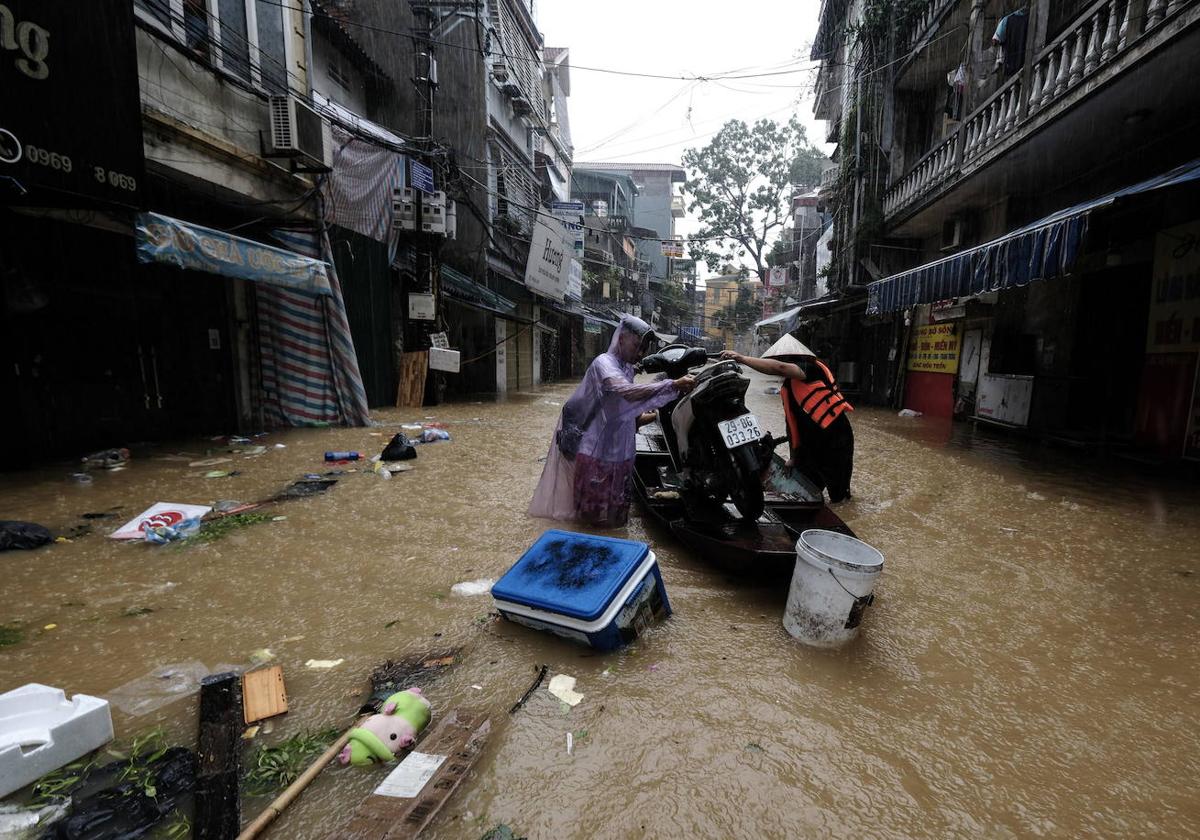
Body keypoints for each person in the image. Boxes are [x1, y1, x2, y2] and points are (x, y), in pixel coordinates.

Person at [529, 315, 695, 527]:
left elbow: (625, 414)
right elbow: (625, 392)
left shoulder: (627, 368)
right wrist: (673, 385)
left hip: (622, 457)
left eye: (644, 348)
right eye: (637, 345)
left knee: (617, 521)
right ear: (622, 339)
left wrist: (656, 412)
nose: (641, 353)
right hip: (595, 456)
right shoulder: (603, 363)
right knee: (589, 521)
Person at [721, 334, 854, 502]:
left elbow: (780, 368)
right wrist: (793, 457)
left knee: (840, 496)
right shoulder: (788, 386)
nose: (778, 363)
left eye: (781, 359)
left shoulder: (811, 368)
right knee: (808, 491)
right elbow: (792, 424)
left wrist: (742, 358)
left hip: (835, 441)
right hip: (810, 446)